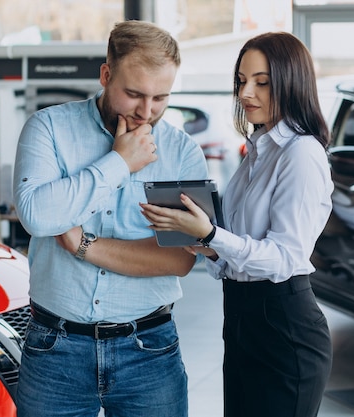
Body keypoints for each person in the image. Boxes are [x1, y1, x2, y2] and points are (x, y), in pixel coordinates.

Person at [13, 20, 208, 417]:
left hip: (149, 350)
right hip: (54, 349)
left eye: (161, 98)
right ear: (106, 75)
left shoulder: (183, 152)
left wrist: (85, 245)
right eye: (134, 94)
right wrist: (120, 162)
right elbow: (37, 216)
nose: (146, 111)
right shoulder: (47, 129)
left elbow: (180, 259)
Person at [140, 31, 334, 417]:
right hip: (242, 318)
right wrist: (207, 244)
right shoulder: (258, 150)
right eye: (241, 81)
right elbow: (242, 246)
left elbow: (284, 258)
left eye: (261, 82)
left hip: (285, 325)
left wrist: (212, 234)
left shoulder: (301, 154)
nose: (246, 93)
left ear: (291, 82)